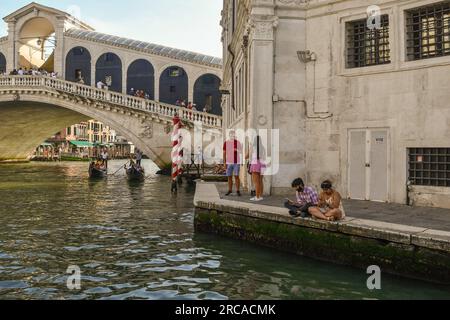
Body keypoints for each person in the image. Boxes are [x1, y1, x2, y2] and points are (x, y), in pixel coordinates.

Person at [223, 130, 242, 196]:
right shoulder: (226, 143)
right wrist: (224, 163)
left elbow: (241, 152)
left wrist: (236, 150)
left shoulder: (238, 142)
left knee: (236, 176)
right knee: (229, 176)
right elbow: (224, 153)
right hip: (229, 162)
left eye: (233, 135)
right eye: (231, 135)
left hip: (236, 162)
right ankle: (230, 190)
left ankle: (238, 190)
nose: (232, 136)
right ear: (229, 135)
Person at [246, 135, 266, 202]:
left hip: (255, 164)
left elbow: (246, 156)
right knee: (260, 181)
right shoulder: (263, 148)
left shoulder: (253, 147)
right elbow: (264, 157)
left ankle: (257, 197)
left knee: (256, 182)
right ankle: (260, 196)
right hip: (262, 164)